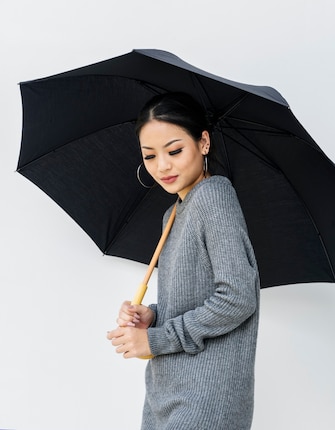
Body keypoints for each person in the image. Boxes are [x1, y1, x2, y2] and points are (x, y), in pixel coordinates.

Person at [106, 92, 260, 430]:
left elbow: (237, 297)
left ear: (203, 142)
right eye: (149, 156)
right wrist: (153, 316)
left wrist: (157, 339)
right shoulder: (172, 214)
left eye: (174, 151)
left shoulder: (214, 196)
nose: (162, 166)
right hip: (165, 394)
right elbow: (194, 298)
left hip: (204, 401)